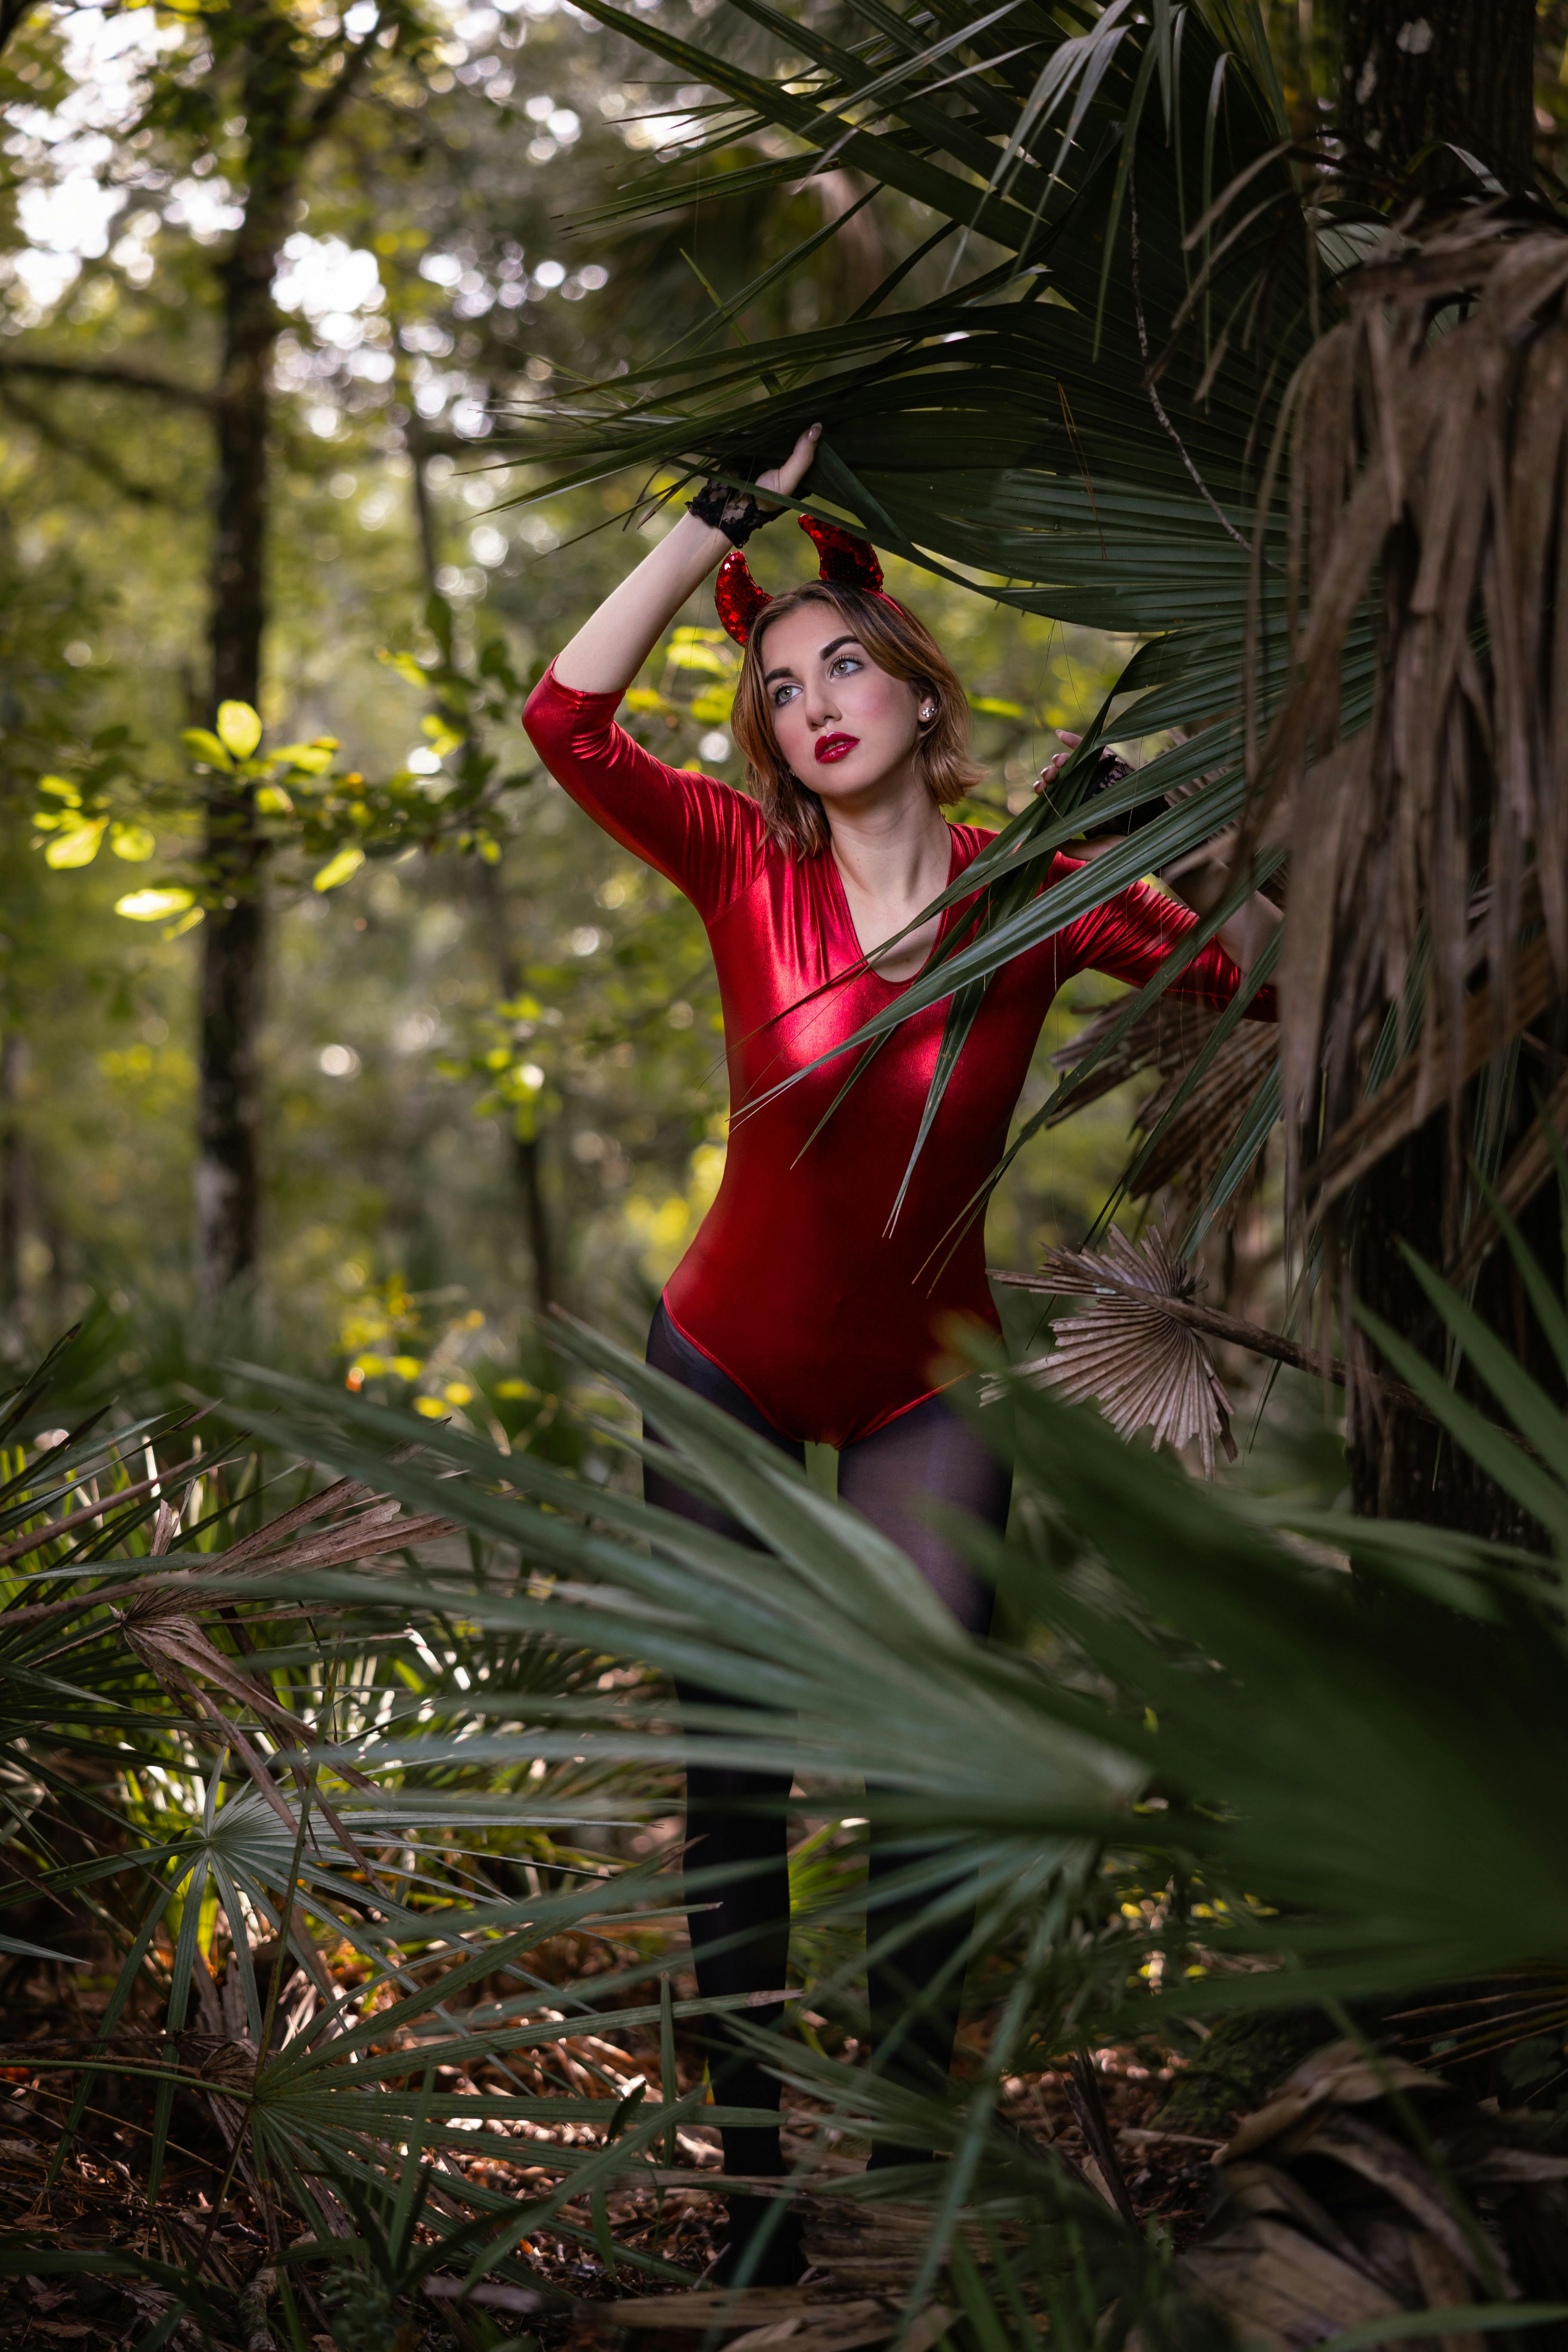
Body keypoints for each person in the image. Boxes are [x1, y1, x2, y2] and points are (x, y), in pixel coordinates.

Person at [522, 425, 1274, 2279]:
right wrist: (719, 522)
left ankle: (930, 2167)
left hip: (932, 1383)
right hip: (721, 1359)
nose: (812, 702)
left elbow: (1240, 980)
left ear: (924, 696)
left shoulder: (1040, 893)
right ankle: (761, 2187)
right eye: (779, 688)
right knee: (736, 1771)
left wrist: (1186, 810)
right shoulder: (733, 864)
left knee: (935, 1769)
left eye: (846, 659)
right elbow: (564, 725)